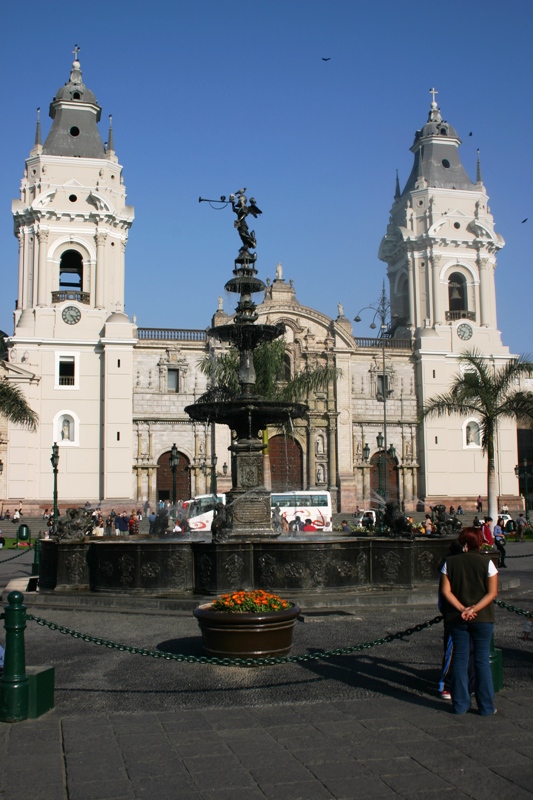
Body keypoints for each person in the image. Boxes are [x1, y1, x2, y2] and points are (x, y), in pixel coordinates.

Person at [440, 529, 498, 715]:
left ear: (463, 543)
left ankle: (460, 705)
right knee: (481, 662)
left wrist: (462, 609)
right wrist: (474, 609)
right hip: (482, 619)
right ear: (480, 543)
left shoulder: (449, 563)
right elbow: (492, 593)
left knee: (459, 660)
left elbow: (446, 592)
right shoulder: (487, 563)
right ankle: (487, 707)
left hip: (457, 619)